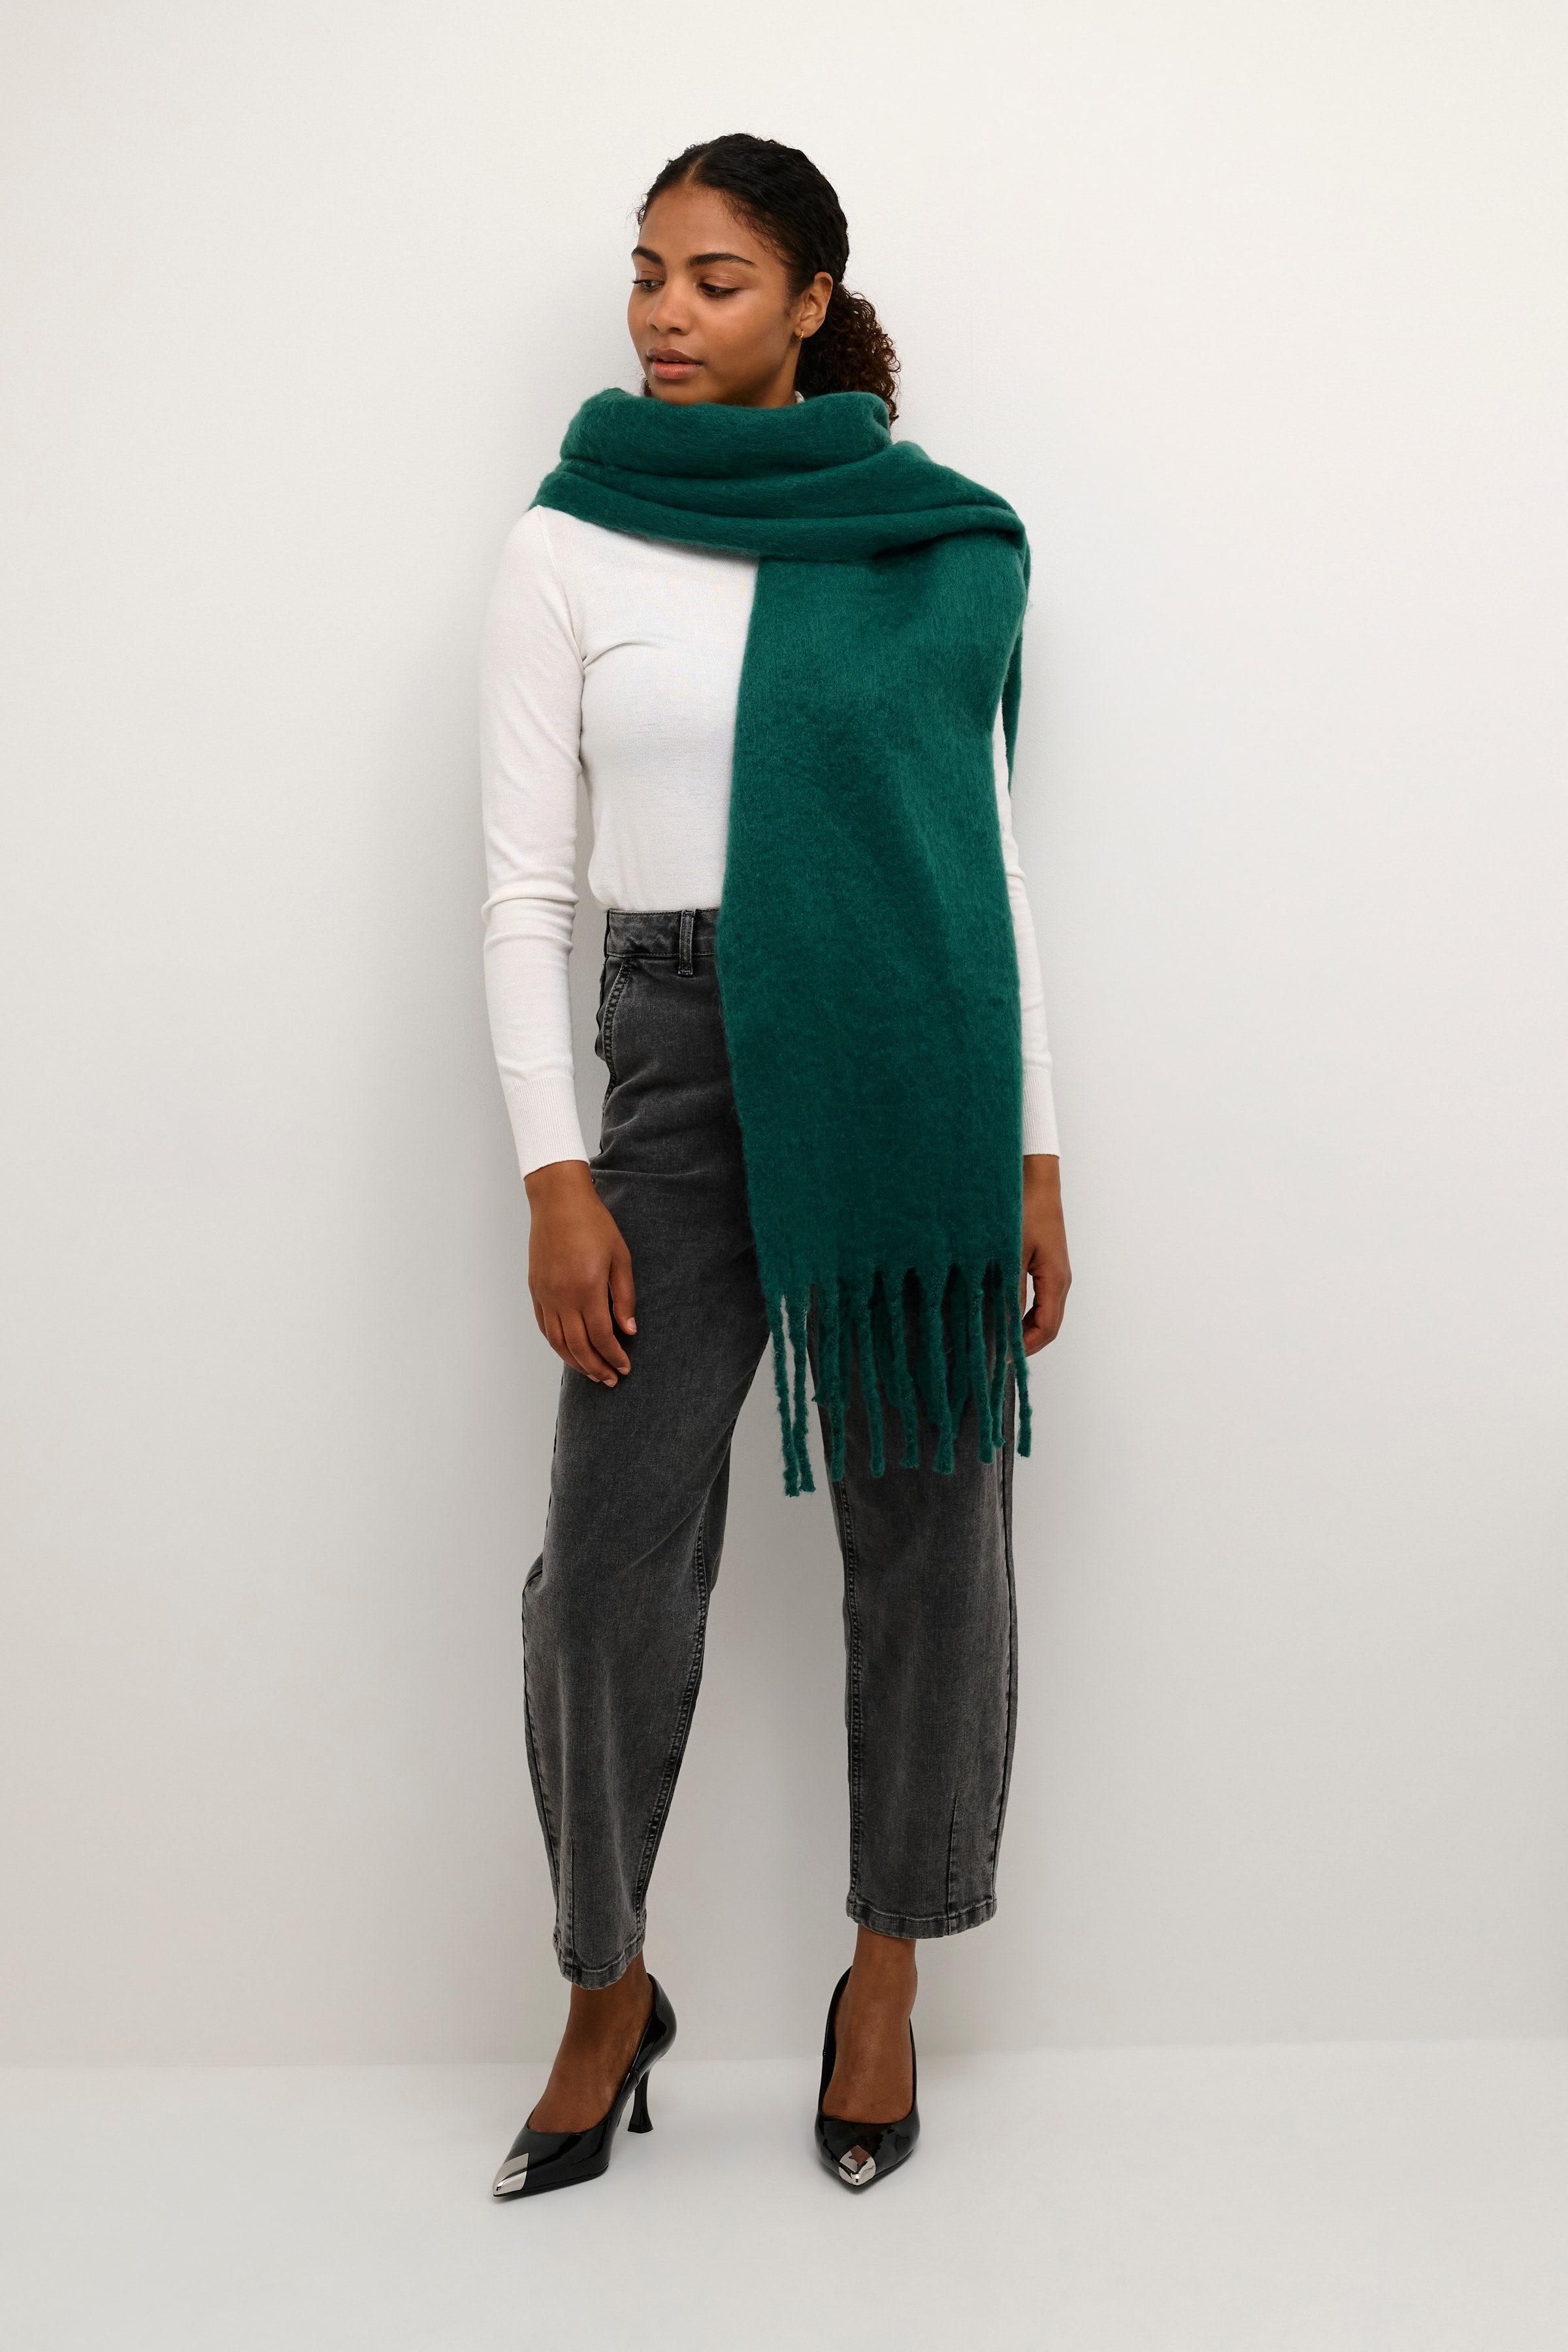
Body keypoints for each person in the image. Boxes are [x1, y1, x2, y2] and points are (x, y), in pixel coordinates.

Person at [480, 133, 1070, 2200]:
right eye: (647, 271)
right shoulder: (569, 539)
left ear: (810, 303)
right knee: (604, 1566)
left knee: (934, 1543)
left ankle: (884, 1976)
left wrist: (1034, 1149)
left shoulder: (936, 545)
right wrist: (556, 1173)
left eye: (715, 279)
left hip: (910, 1060)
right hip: (671, 1059)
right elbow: (525, 886)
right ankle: (605, 1987)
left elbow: (987, 865)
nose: (664, 311)